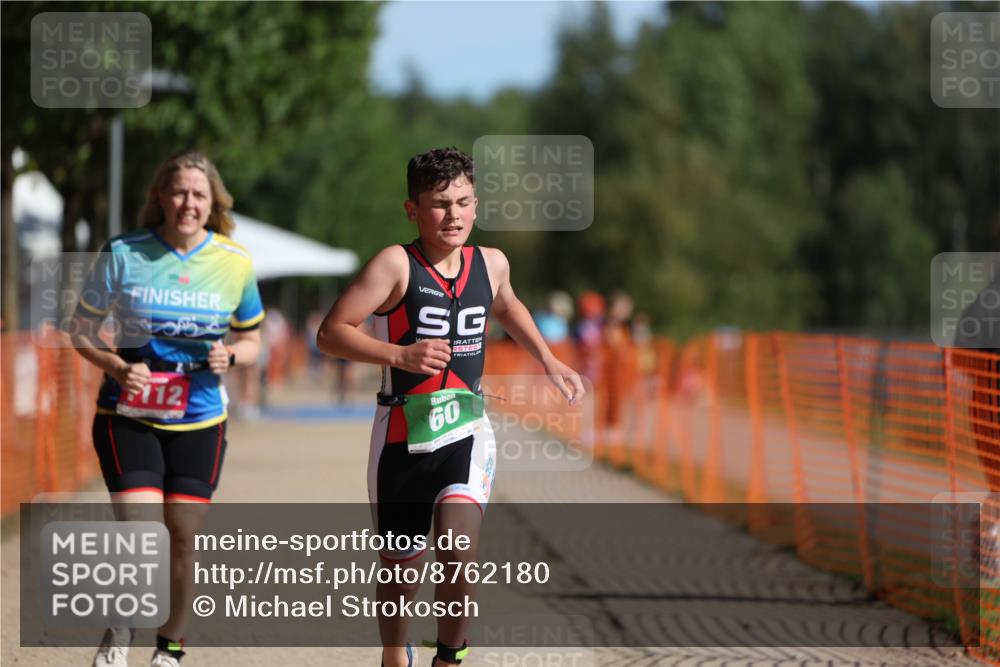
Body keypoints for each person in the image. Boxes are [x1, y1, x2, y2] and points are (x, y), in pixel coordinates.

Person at [316, 147, 584, 667]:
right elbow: (331, 333)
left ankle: (449, 657)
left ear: (477, 206)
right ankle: (396, 655)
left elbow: (506, 304)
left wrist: (548, 358)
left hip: (466, 427)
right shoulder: (396, 264)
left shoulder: (492, 263)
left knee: (459, 552)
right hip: (401, 433)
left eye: (462, 202)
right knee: (400, 571)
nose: (453, 215)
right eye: (439, 204)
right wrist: (399, 353)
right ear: (413, 210)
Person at [70, 150, 264, 667]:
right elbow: (81, 330)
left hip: (200, 418)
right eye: (179, 191)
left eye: (199, 194)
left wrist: (233, 355)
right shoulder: (125, 253)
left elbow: (253, 339)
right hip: (127, 414)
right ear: (160, 196)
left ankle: (170, 649)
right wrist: (115, 365)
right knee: (139, 530)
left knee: (182, 536)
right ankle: (121, 625)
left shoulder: (234, 261)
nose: (188, 203)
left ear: (213, 203)